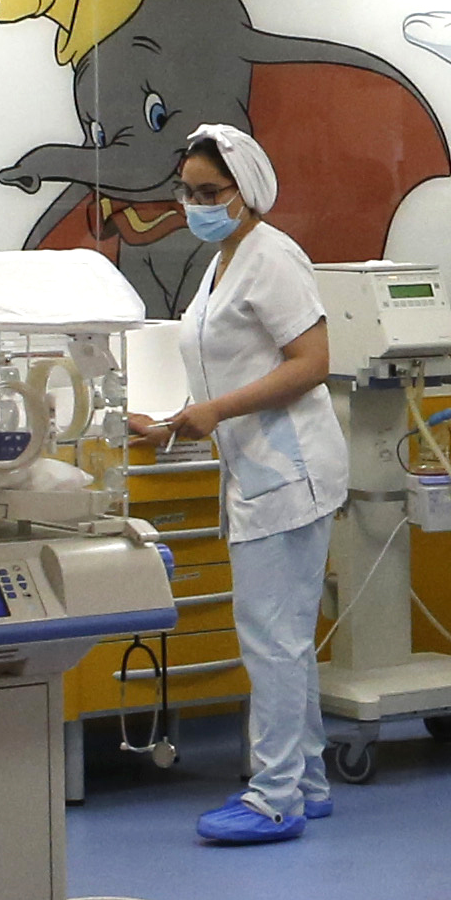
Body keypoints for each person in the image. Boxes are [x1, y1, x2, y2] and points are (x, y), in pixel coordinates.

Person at [123, 122, 347, 845]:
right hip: (260, 470)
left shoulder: (271, 258)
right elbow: (224, 364)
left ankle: (274, 796)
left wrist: (213, 411)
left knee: (272, 640)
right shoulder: (224, 262)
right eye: (186, 192)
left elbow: (311, 361)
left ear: (246, 192)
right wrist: (172, 423)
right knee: (285, 637)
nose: (194, 203)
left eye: (210, 192)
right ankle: (306, 781)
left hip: (289, 472)